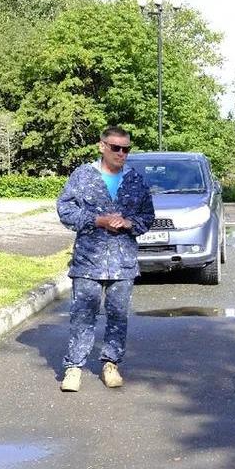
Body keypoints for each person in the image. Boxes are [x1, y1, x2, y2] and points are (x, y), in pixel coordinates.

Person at [56, 126, 155, 392]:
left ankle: (111, 364)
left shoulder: (135, 180)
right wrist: (97, 220)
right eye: (115, 148)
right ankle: (74, 368)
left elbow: (148, 217)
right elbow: (65, 210)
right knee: (82, 315)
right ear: (102, 147)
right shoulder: (83, 176)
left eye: (126, 149)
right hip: (88, 261)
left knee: (118, 316)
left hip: (122, 263)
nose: (121, 153)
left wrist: (129, 223)